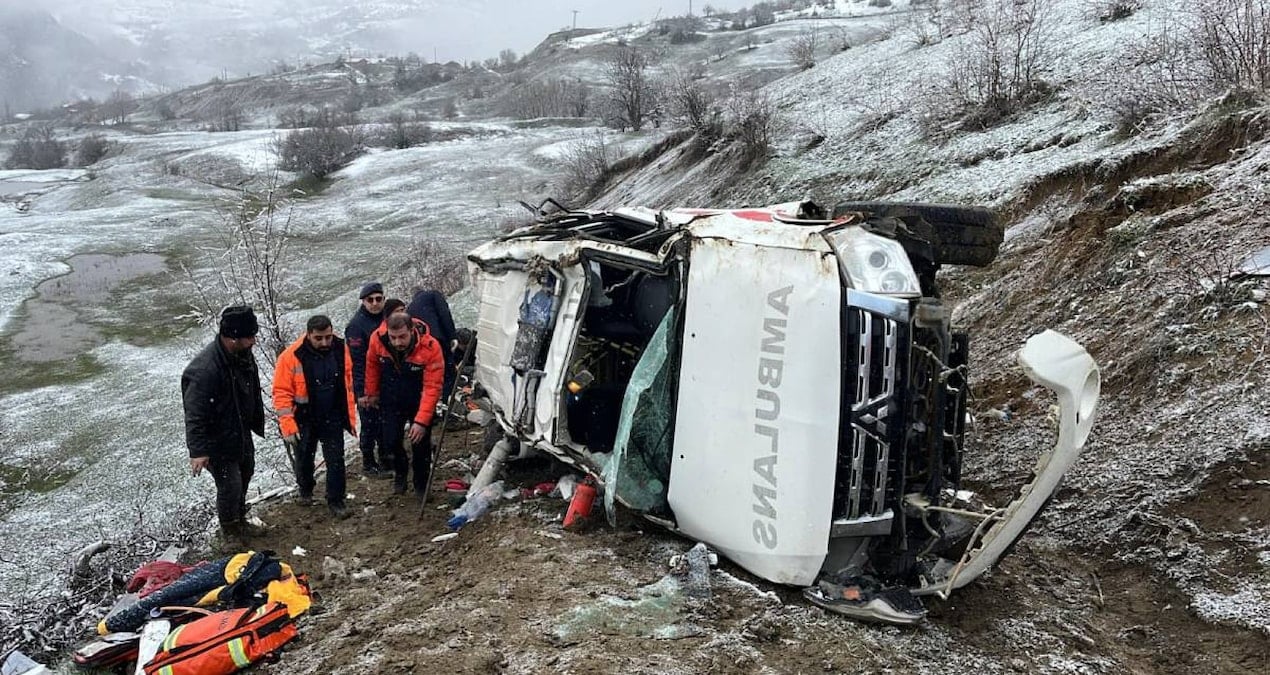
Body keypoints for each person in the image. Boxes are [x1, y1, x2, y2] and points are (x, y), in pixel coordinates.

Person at [181, 305, 265, 539]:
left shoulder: (242, 354)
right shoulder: (204, 370)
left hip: (240, 431)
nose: (254, 341)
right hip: (217, 440)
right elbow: (194, 413)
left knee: (246, 473)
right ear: (232, 337)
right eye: (249, 337)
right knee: (230, 486)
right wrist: (198, 451)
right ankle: (231, 534)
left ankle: (240, 522)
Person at [273, 315, 358, 519]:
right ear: (309, 334)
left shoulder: (340, 348)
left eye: (328, 337)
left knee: (336, 459)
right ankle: (306, 490)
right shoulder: (291, 356)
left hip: (332, 413)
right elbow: (281, 392)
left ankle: (336, 500)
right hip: (304, 417)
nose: (325, 342)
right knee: (304, 459)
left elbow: (348, 378)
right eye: (319, 338)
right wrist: (288, 425)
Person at [364, 312, 445, 498]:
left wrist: (421, 421)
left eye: (402, 337)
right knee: (390, 441)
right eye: (393, 338)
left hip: (419, 399)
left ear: (412, 330)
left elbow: (433, 387)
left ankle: (421, 484)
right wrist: (372, 392)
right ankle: (400, 471)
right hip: (390, 398)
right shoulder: (377, 339)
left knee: (420, 444)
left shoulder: (430, 347)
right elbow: (372, 365)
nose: (397, 342)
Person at [344, 282, 391, 478]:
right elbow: (356, 362)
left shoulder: (387, 318)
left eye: (378, 299)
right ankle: (368, 463)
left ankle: (386, 459)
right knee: (370, 425)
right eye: (370, 300)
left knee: (385, 423)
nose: (375, 303)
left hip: (386, 380)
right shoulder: (356, 326)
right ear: (363, 301)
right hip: (365, 382)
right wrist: (362, 392)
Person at [407, 288, 458, 399]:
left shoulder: (409, 308)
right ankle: (448, 399)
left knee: (432, 375)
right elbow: (445, 314)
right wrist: (452, 336)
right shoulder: (433, 294)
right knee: (448, 371)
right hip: (437, 338)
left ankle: (436, 400)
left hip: (420, 346)